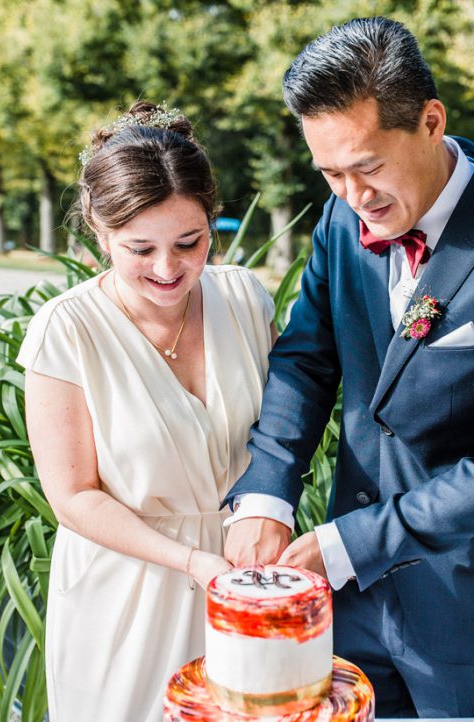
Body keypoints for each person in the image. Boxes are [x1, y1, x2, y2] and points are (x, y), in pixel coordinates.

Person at [223, 17, 474, 718]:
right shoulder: (340, 221)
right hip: (354, 611)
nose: (353, 197)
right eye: (331, 173)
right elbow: (308, 358)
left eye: (368, 167)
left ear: (430, 121)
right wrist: (269, 489)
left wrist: (349, 545)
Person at [19, 100, 276, 722]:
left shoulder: (245, 298)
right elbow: (73, 497)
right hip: (127, 593)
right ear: (100, 234)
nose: (168, 269)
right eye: (140, 249)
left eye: (189, 243)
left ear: (211, 223)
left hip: (242, 581)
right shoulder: (65, 330)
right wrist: (191, 561)